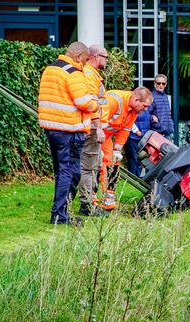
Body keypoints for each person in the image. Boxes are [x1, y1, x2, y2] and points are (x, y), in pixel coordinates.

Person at [38, 41, 100, 225]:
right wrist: (96, 103)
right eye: (85, 60)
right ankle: (60, 214)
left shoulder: (50, 69)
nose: (85, 64)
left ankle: (60, 212)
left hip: (51, 128)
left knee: (60, 171)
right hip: (69, 130)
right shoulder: (73, 73)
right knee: (71, 172)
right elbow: (83, 102)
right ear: (78, 56)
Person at [98, 87, 153, 210]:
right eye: (144, 106)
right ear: (136, 100)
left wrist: (117, 150)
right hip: (96, 134)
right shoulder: (114, 100)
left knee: (113, 162)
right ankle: (91, 200)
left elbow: (125, 130)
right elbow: (98, 122)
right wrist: (96, 144)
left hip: (105, 136)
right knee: (99, 164)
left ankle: (108, 200)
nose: (145, 110)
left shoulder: (134, 110)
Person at [78, 44, 108, 216]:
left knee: (93, 165)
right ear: (96, 56)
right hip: (92, 128)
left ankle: (89, 202)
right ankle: (87, 205)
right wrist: (98, 128)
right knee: (88, 168)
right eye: (105, 57)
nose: (106, 60)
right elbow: (91, 104)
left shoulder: (92, 75)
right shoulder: (90, 75)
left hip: (94, 127)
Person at [124, 109, 151, 176]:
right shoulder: (133, 108)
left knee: (140, 159)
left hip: (143, 138)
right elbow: (129, 120)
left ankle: (137, 177)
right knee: (133, 158)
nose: (146, 107)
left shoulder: (147, 111)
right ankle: (132, 177)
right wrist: (136, 131)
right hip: (132, 137)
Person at [147, 74, 174, 139]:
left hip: (167, 132)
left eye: (163, 83)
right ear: (155, 83)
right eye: (159, 83)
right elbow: (145, 113)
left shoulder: (165, 95)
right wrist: (152, 118)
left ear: (166, 84)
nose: (161, 85)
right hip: (158, 133)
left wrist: (171, 125)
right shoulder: (151, 96)